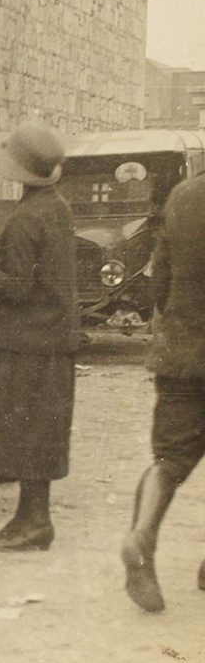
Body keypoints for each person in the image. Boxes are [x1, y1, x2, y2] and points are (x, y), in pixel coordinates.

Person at [0, 122, 79, 552]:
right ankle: (30, 518)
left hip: (28, 343)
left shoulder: (24, 219)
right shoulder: (57, 208)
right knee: (41, 433)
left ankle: (34, 522)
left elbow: (17, 286)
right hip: (53, 339)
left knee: (26, 433)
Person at [121, 168, 205, 612]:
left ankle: (143, 535)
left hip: (181, 353)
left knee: (169, 458)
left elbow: (160, 283)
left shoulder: (182, 196)